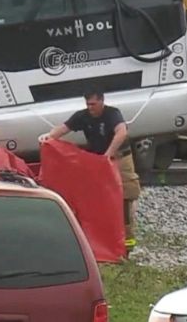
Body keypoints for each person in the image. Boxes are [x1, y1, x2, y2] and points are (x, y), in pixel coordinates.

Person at [38, 88, 141, 252]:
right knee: (98, 198)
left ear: (101, 101)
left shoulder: (112, 114)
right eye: (88, 104)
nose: (90, 107)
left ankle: (127, 245)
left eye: (93, 104)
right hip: (98, 162)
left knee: (125, 198)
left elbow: (121, 133)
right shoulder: (82, 116)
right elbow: (63, 128)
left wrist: (108, 156)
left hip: (120, 159)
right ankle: (103, 239)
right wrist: (48, 137)